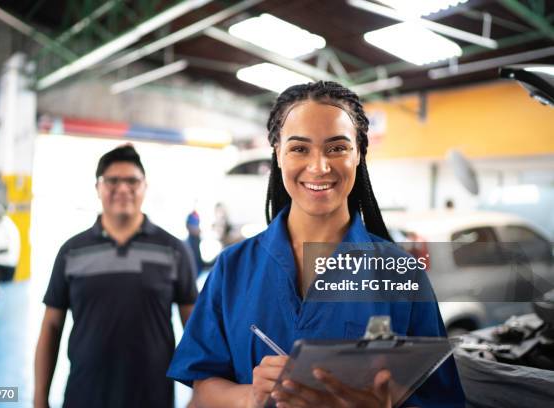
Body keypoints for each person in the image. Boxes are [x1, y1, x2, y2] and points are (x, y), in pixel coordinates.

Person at [167, 81, 465, 407]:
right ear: (278, 153)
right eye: (299, 148)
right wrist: (251, 396)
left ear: (359, 154)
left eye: (337, 148)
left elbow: (443, 400)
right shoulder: (233, 268)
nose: (319, 166)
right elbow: (201, 395)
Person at [34, 144, 197, 408]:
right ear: (98, 187)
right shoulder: (72, 251)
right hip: (84, 394)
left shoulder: (174, 250)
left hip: (152, 396)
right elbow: (51, 327)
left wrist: (198, 394)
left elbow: (195, 329)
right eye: (112, 181)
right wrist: (40, 398)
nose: (123, 189)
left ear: (145, 186)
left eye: (132, 181)